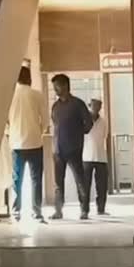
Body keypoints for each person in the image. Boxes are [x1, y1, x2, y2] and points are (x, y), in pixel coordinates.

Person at [7, 66, 49, 222]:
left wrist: (10, 132)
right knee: (36, 179)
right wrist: (38, 132)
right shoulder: (37, 95)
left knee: (17, 179)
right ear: (29, 78)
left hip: (16, 144)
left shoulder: (10, 96)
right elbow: (45, 120)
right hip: (35, 143)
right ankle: (36, 211)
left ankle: (16, 211)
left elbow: (4, 121)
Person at [50, 74, 93, 220]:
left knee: (80, 181)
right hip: (58, 150)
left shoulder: (77, 104)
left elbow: (88, 124)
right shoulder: (55, 106)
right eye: (54, 87)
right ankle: (58, 210)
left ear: (65, 86)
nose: (55, 89)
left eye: (57, 86)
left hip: (74, 149)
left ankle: (84, 210)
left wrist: (77, 133)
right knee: (58, 183)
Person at [82, 99, 110, 216]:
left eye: (99, 106)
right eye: (94, 106)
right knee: (85, 186)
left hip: (101, 157)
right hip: (86, 157)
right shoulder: (83, 121)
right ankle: (84, 210)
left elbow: (105, 136)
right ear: (89, 106)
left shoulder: (103, 121)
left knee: (102, 185)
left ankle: (101, 209)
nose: (96, 108)